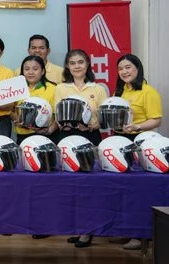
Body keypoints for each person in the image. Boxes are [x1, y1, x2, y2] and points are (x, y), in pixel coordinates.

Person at [54, 49, 108, 249]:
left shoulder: (98, 89)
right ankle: (77, 227)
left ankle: (88, 231)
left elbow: (103, 118)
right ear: (67, 66)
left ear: (87, 65)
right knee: (70, 186)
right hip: (67, 137)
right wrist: (63, 124)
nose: (77, 66)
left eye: (80, 62)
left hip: (90, 137)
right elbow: (57, 114)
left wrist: (92, 126)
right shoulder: (61, 88)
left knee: (89, 186)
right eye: (72, 63)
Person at [113, 53, 162, 251]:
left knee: (138, 190)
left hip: (141, 142)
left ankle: (140, 235)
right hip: (121, 142)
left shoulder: (148, 91)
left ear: (137, 68)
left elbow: (156, 119)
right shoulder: (119, 92)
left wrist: (137, 127)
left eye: (128, 67)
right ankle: (127, 229)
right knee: (123, 189)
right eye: (120, 68)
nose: (124, 71)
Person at [13, 55, 56, 139]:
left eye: (35, 69)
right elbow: (10, 111)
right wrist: (17, 119)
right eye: (27, 69)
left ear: (42, 71)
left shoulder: (53, 88)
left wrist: (49, 131)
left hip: (45, 136)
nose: (30, 72)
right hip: (22, 136)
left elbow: (58, 117)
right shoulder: (16, 89)